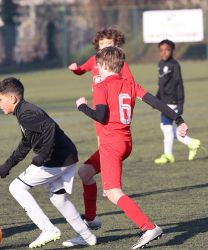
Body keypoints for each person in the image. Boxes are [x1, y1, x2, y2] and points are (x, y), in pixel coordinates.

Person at [75, 46, 188, 249]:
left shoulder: (102, 86)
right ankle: (91, 219)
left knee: (112, 192)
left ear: (104, 66)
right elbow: (156, 102)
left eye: (98, 66)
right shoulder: (130, 84)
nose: (96, 70)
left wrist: (82, 107)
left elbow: (100, 116)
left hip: (111, 144)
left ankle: (148, 227)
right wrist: (178, 120)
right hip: (125, 142)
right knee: (85, 172)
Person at [0, 77, 96, 248]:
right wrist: (9, 164)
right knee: (59, 200)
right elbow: (27, 142)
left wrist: (42, 155)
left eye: (0, 99)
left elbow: (49, 126)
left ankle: (48, 229)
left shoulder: (26, 113)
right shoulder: (25, 112)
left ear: (12, 98)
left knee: (16, 188)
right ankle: (87, 236)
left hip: (56, 160)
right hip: (68, 156)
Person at [67, 28, 135, 230]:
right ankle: (108, 184)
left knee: (107, 147)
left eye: (110, 43)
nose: (106, 46)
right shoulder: (94, 60)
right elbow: (82, 69)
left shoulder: (117, 63)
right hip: (99, 108)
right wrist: (75, 69)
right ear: (98, 45)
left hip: (110, 110)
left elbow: (129, 83)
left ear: (117, 44)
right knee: (102, 145)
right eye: (103, 44)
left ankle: (110, 186)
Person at [154, 39, 201, 164]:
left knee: (166, 127)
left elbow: (179, 85)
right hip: (164, 101)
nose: (164, 53)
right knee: (165, 127)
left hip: (172, 101)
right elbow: (162, 85)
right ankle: (191, 142)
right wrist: (156, 98)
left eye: (167, 50)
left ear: (172, 51)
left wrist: (180, 104)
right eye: (161, 50)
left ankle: (168, 155)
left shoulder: (174, 65)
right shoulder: (160, 64)